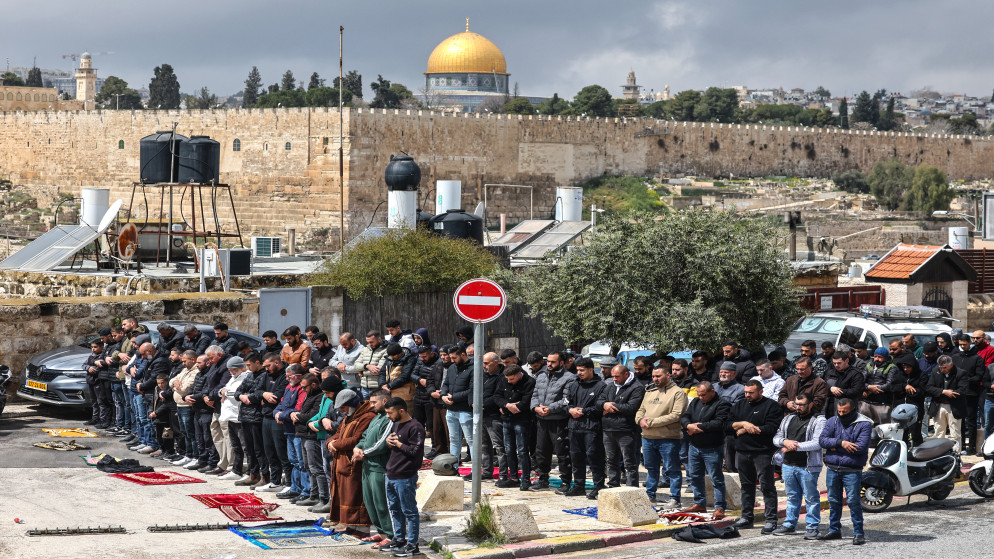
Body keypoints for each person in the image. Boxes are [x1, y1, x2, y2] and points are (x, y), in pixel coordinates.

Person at [729, 379, 783, 534]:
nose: (747, 395)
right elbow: (727, 425)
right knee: (746, 486)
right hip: (742, 452)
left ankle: (771, 519)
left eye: (751, 392)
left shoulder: (771, 406)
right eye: (746, 392)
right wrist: (743, 424)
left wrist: (746, 429)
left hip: (763, 452)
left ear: (761, 391)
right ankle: (746, 517)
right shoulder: (740, 405)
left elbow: (772, 428)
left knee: (767, 486)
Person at [818, 398, 872, 545]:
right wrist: (840, 443)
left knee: (853, 501)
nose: (841, 414)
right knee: (834, 501)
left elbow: (859, 448)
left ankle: (858, 532)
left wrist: (833, 446)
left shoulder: (864, 424)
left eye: (845, 412)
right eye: (839, 411)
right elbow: (822, 440)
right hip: (832, 468)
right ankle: (834, 529)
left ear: (853, 410)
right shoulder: (832, 421)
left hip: (852, 470)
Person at [772, 393, 826, 539]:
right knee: (792, 496)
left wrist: (794, 446)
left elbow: (818, 442)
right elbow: (776, 437)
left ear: (810, 405)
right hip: (788, 464)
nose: (798, 407)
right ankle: (789, 524)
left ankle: (812, 526)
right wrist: (785, 442)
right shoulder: (788, 418)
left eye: (802, 405)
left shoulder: (819, 420)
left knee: (811, 497)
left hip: (808, 466)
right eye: (796, 404)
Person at [636, 364, 689, 507]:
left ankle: (675, 498)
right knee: (651, 468)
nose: (655, 379)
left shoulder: (678, 393)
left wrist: (651, 422)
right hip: (647, 437)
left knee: (673, 469)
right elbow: (640, 410)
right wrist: (640, 420)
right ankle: (650, 494)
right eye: (653, 376)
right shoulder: (650, 391)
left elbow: (676, 415)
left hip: (668, 438)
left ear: (668, 375)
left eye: (658, 376)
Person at [327, 388, 377, 533]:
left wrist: (334, 444)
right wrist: (329, 442)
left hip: (354, 464)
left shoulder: (366, 416)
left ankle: (361, 530)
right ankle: (350, 526)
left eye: (343, 406)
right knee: (346, 496)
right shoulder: (350, 416)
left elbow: (356, 440)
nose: (342, 410)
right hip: (342, 463)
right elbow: (337, 433)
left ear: (351, 404)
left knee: (355, 496)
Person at [382, 397, 425, 557]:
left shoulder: (416, 427)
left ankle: (413, 544)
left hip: (405, 476)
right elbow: (395, 445)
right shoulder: (396, 423)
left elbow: (415, 452)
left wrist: (399, 444)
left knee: (410, 512)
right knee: (394, 509)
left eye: (390, 412)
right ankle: (399, 539)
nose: (388, 416)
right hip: (391, 474)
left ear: (401, 411)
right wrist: (389, 441)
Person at [681, 381, 730, 518]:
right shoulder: (696, 402)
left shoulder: (722, 404)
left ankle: (720, 506)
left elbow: (719, 423)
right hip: (694, 446)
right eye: (699, 394)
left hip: (712, 447)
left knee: (716, 478)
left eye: (703, 394)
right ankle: (699, 502)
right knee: (695, 476)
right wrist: (688, 426)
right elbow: (685, 416)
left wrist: (698, 428)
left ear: (712, 392)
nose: (701, 397)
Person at [352, 390, 395, 549]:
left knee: (381, 503)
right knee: (370, 502)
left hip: (379, 468)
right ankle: (381, 531)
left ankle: (390, 535)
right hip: (367, 466)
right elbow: (363, 438)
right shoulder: (375, 418)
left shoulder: (388, 420)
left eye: (373, 403)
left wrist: (363, 453)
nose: (370, 406)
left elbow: (381, 444)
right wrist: (357, 448)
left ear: (384, 401)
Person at [529, 351, 576, 491]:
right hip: (541, 420)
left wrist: (550, 408)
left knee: (562, 452)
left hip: (558, 421)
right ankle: (543, 479)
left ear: (561, 363)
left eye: (553, 362)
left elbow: (567, 399)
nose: (549, 364)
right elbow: (535, 394)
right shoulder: (541, 375)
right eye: (548, 361)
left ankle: (566, 481)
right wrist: (535, 408)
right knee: (541, 451)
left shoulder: (569, 378)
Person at [563, 357, 607, 497]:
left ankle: (598, 486)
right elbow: (566, 403)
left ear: (591, 370)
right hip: (574, 427)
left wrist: (583, 411)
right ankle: (578, 486)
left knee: (595, 458)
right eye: (577, 370)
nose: (579, 373)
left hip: (592, 428)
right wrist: (570, 410)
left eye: (582, 370)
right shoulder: (574, 385)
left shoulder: (601, 386)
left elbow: (600, 407)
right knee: (576, 457)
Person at [597, 364, 645, 488]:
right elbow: (598, 401)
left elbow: (631, 407)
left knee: (630, 463)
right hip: (608, 428)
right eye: (612, 376)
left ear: (626, 374)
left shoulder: (637, 387)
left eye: (617, 376)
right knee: (611, 461)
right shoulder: (610, 386)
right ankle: (613, 486)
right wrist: (604, 405)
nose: (614, 379)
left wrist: (611, 407)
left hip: (626, 430)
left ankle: (631, 489)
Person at [493, 365, 535, 492]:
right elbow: (497, 396)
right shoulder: (503, 380)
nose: (509, 381)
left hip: (522, 420)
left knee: (522, 451)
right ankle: (514, 478)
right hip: (507, 419)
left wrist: (509, 408)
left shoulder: (529, 382)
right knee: (509, 450)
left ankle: (526, 479)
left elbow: (525, 402)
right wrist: (506, 405)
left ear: (519, 374)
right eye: (507, 379)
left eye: (511, 379)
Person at [274, 364, 308, 500]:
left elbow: (298, 408)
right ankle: (295, 488)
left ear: (298, 376)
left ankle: (306, 491)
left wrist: (281, 415)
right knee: (293, 460)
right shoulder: (289, 387)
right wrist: (277, 413)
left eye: (290, 376)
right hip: (288, 429)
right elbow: (281, 405)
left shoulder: (302, 388)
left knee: (301, 461)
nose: (287, 379)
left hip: (297, 429)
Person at [294, 373, 326, 508]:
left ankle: (322, 497)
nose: (303, 390)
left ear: (313, 385)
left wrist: (298, 416)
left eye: (304, 387)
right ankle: (313, 494)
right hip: (304, 434)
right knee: (308, 466)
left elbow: (311, 415)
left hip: (312, 436)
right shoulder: (309, 395)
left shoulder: (319, 396)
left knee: (316, 467)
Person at [219, 356, 252, 483]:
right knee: (235, 446)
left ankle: (249, 472)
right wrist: (223, 391)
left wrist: (225, 393)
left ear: (240, 367)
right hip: (229, 416)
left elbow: (239, 394)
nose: (231, 372)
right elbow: (221, 390)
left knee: (246, 447)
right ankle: (236, 470)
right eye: (230, 370)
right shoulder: (233, 378)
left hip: (239, 417)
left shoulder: (246, 377)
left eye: (233, 369)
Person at [927, 355, 968, 452]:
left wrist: (939, 393)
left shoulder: (961, 373)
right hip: (939, 405)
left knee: (955, 433)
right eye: (940, 367)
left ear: (951, 365)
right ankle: (938, 454)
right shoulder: (935, 371)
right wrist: (944, 392)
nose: (942, 370)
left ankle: (956, 455)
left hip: (954, 406)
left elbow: (962, 390)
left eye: (944, 367)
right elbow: (929, 388)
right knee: (938, 432)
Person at [441, 345, 473, 463]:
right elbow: (445, 384)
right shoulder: (452, 368)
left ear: (463, 355)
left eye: (454, 358)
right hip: (451, 409)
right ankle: (453, 466)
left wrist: (454, 397)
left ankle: (475, 470)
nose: (452, 361)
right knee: (453, 439)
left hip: (465, 410)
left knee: (471, 440)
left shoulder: (473, 368)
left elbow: (472, 390)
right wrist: (443, 395)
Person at [953, 334, 984, 454]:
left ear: (969, 343)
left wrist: (965, 380)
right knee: (959, 421)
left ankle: (971, 447)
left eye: (964, 344)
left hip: (971, 394)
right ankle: (961, 447)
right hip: (958, 393)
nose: (962, 346)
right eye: (960, 344)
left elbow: (978, 376)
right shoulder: (955, 357)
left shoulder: (977, 358)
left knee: (971, 421)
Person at [477, 352, 506, 483]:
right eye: (483, 363)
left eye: (487, 363)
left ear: (496, 362)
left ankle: (503, 474)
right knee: (484, 446)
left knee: (499, 447)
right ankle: (487, 471)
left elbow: (497, 395)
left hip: (494, 416)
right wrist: (473, 403)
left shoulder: (502, 375)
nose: (484, 366)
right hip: (481, 414)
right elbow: (473, 388)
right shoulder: (482, 374)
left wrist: (483, 404)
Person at [418, 345, 449, 459]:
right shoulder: (438, 365)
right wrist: (431, 392)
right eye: (441, 355)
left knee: (448, 431)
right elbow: (430, 380)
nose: (443, 357)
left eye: (445, 355)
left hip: (448, 402)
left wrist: (443, 393)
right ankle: (439, 452)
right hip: (436, 401)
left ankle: (451, 455)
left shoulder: (454, 367)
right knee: (437, 429)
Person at [170, 350, 201, 466]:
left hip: (187, 406)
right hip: (179, 405)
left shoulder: (195, 372)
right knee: (184, 432)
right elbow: (172, 380)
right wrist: (175, 383)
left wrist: (175, 386)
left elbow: (185, 389)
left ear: (192, 359)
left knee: (190, 433)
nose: (182, 363)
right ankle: (188, 455)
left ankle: (195, 456)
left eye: (184, 361)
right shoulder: (185, 370)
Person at [714, 363, 744, 471]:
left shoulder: (741, 389)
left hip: (728, 427)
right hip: (713, 426)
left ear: (734, 374)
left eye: (726, 372)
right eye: (721, 372)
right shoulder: (714, 387)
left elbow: (735, 408)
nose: (722, 374)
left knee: (729, 457)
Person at [824, 352, 865, 418]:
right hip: (828, 408)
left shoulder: (855, 374)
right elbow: (823, 386)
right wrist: (830, 389)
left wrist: (839, 391)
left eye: (839, 363)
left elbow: (857, 391)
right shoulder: (830, 372)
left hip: (846, 409)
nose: (836, 365)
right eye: (834, 363)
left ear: (846, 361)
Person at [380, 343, 418, 410]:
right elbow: (382, 373)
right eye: (390, 355)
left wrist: (389, 386)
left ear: (400, 353)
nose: (392, 357)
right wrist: (382, 384)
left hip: (405, 395)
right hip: (390, 393)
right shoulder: (389, 359)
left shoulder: (410, 359)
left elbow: (405, 377)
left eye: (393, 355)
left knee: (405, 414)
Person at [353, 330, 389, 399]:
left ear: (379, 339)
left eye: (371, 342)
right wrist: (367, 366)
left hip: (377, 388)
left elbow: (378, 370)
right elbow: (355, 366)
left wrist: (362, 372)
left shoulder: (386, 350)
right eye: (368, 342)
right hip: (364, 388)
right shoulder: (365, 349)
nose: (369, 344)